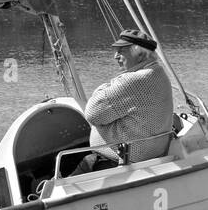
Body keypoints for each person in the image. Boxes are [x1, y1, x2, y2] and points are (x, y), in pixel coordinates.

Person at [72, 28, 175, 173]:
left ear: (139, 54)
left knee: (64, 167)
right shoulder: (158, 72)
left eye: (121, 51)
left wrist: (104, 87)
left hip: (117, 162)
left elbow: (93, 114)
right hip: (152, 153)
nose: (115, 56)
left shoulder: (133, 81)